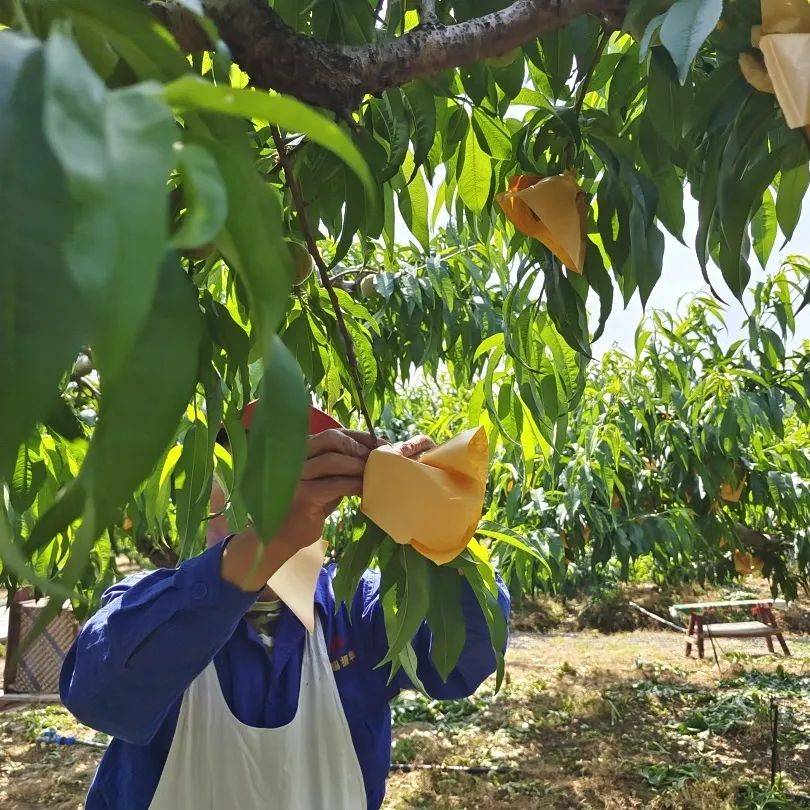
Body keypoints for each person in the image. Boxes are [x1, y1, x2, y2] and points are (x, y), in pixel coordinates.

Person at [60, 405, 510, 810]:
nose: (269, 484)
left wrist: (443, 533)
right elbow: (102, 697)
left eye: (300, 463)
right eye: (243, 463)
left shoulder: (355, 612)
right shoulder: (153, 607)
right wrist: (264, 544)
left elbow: (458, 662)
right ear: (203, 486)